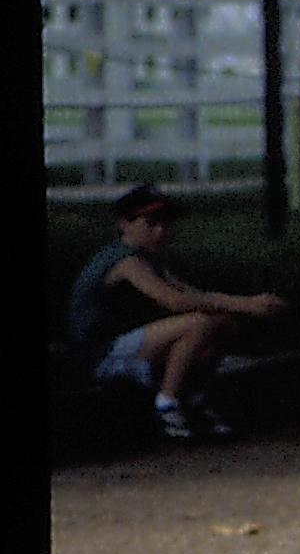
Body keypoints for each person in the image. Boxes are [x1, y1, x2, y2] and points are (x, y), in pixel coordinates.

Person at [69, 184, 286, 442]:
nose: (160, 231)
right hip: (103, 353)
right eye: (150, 223)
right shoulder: (126, 261)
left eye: (165, 224)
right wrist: (247, 305)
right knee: (199, 323)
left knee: (220, 324)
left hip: (132, 345)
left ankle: (195, 398)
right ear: (125, 224)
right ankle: (167, 404)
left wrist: (245, 303)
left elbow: (194, 294)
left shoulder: (149, 259)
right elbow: (176, 301)